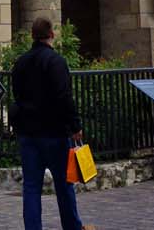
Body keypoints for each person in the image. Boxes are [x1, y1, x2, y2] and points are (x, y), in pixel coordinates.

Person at [10, 17, 97, 230]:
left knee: (31, 187)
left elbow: (17, 95)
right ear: (52, 35)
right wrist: (75, 126)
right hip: (54, 132)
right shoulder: (56, 61)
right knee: (64, 184)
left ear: (32, 36)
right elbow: (64, 97)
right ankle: (72, 226)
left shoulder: (21, 62)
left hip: (28, 132)